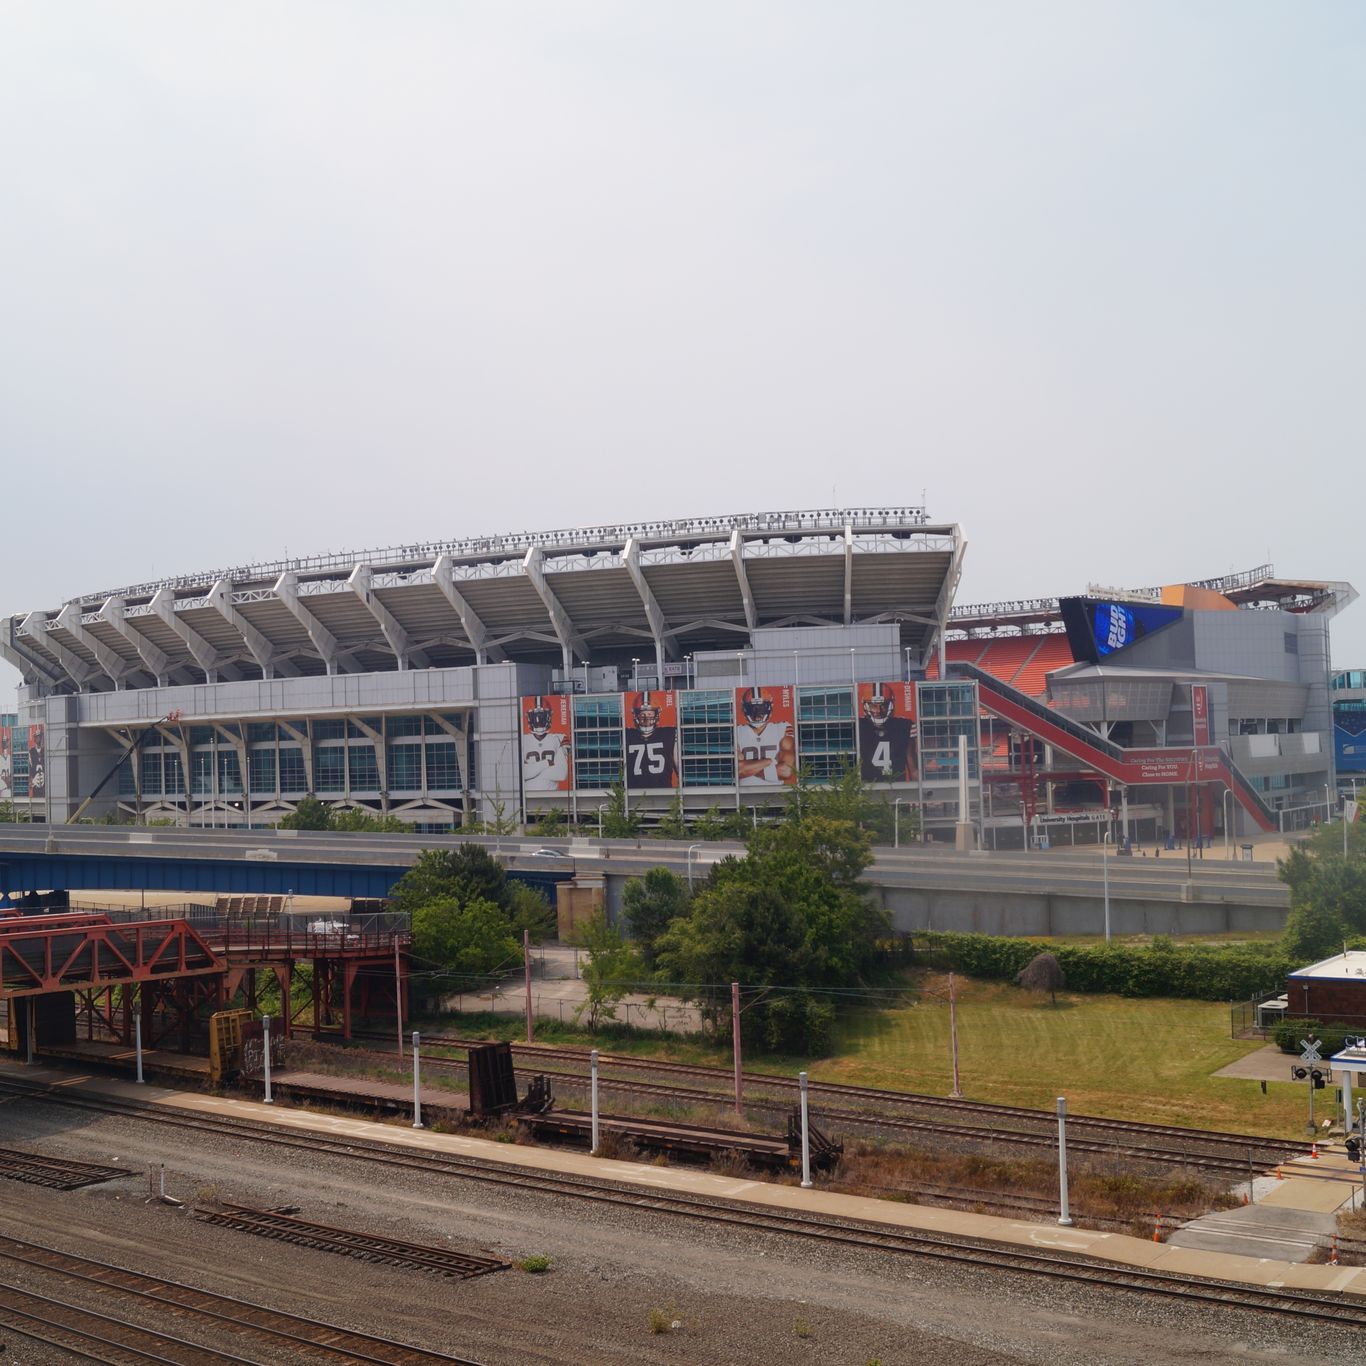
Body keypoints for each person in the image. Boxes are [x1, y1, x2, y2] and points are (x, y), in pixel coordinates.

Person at [736, 687, 795, 785]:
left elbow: (786, 771)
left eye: (761, 708)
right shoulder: (737, 731)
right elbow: (736, 770)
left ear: (769, 707)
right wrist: (768, 762)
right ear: (745, 709)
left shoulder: (783, 728)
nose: (757, 713)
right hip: (745, 794)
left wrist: (748, 768)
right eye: (752, 708)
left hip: (777, 794)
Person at [858, 684, 916, 782]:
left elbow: (913, 768)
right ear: (866, 706)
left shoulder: (903, 726)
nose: (878, 711)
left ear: (890, 705)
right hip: (867, 788)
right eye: (874, 706)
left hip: (896, 787)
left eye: (883, 705)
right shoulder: (859, 726)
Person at [625, 691, 678, 788]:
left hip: (663, 792)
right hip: (634, 793)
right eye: (642, 715)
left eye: (650, 714)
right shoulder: (627, 735)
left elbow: (678, 765)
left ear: (657, 715)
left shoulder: (669, 734)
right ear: (636, 715)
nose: (646, 719)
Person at [521, 696, 569, 791]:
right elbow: (522, 774)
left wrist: (533, 771)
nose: (538, 721)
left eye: (542, 717)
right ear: (529, 718)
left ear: (549, 716)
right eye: (535, 717)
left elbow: (561, 774)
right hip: (528, 796)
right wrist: (546, 763)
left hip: (552, 794)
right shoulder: (522, 740)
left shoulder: (560, 738)